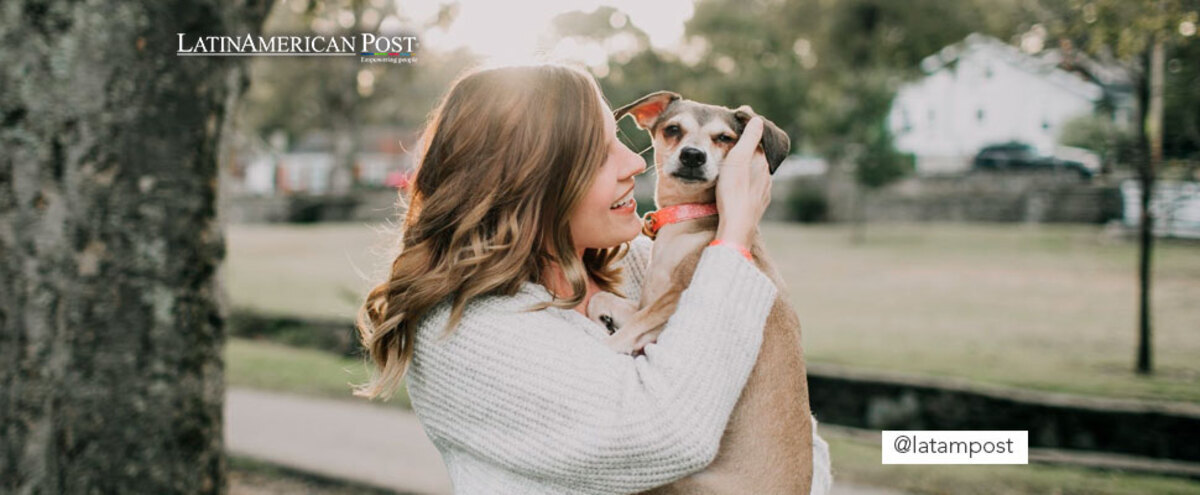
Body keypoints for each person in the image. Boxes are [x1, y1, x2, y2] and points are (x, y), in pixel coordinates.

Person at [354, 64, 821, 493]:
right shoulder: (464, 333)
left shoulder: (641, 262)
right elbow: (665, 434)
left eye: (621, 139)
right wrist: (736, 234)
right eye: (601, 153)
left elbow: (792, 442)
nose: (637, 163)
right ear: (530, 182)